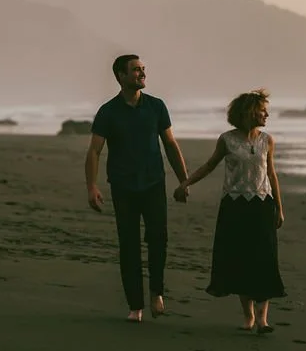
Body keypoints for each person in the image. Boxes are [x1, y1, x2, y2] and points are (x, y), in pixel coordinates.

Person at [86, 54, 190, 323]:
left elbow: (170, 144)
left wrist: (184, 179)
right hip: (123, 187)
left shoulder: (156, 106)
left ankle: (156, 292)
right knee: (129, 245)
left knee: (158, 237)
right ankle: (135, 306)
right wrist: (91, 186)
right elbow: (95, 151)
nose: (142, 74)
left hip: (154, 183)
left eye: (143, 69)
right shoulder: (108, 112)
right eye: (135, 70)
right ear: (121, 75)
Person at [174, 89, 286, 333]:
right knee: (241, 259)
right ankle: (248, 318)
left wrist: (279, 207)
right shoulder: (227, 139)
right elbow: (209, 165)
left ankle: (263, 319)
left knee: (264, 259)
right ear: (248, 112)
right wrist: (186, 183)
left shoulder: (267, 140)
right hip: (235, 205)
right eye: (262, 110)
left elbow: (271, 174)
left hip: (262, 204)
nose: (266, 114)